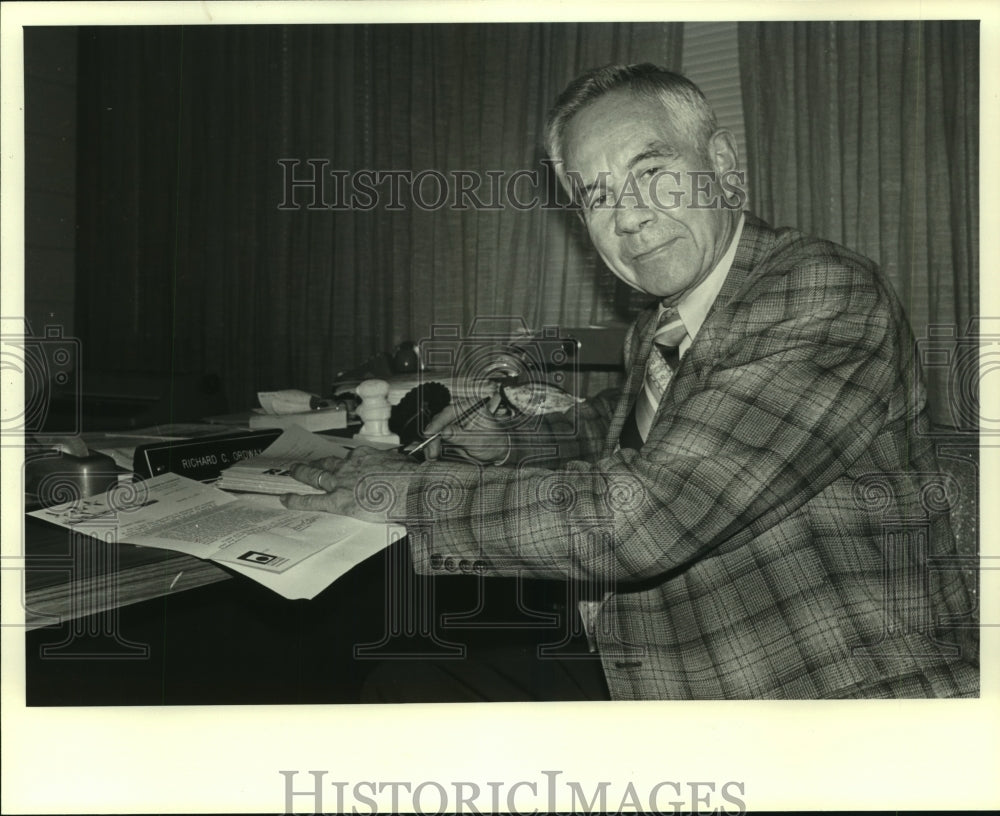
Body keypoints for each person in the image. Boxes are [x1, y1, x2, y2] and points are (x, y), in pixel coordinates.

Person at [284, 64, 979, 700]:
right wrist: (513, 442)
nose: (630, 216)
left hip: (813, 685)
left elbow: (646, 517)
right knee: (407, 678)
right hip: (662, 646)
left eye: (653, 173)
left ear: (724, 167)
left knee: (409, 690)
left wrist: (400, 491)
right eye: (598, 195)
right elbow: (632, 422)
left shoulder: (815, 288)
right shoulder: (666, 319)